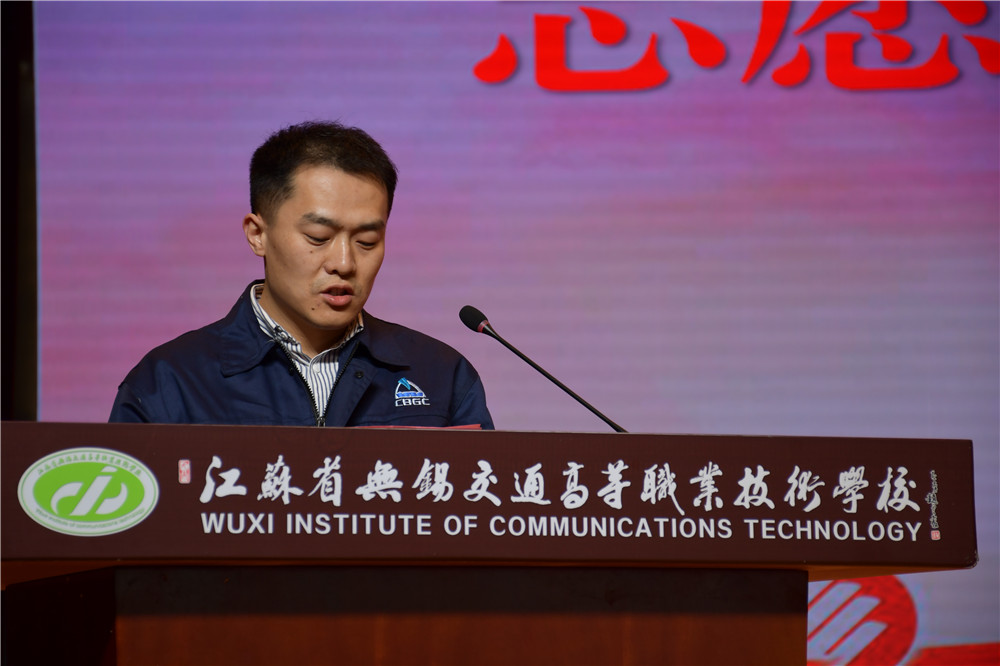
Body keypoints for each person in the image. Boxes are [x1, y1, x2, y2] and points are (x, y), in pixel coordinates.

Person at [110, 121, 493, 429]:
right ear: (257, 234)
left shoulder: (442, 376)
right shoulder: (171, 381)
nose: (344, 263)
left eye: (367, 241)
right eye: (318, 237)